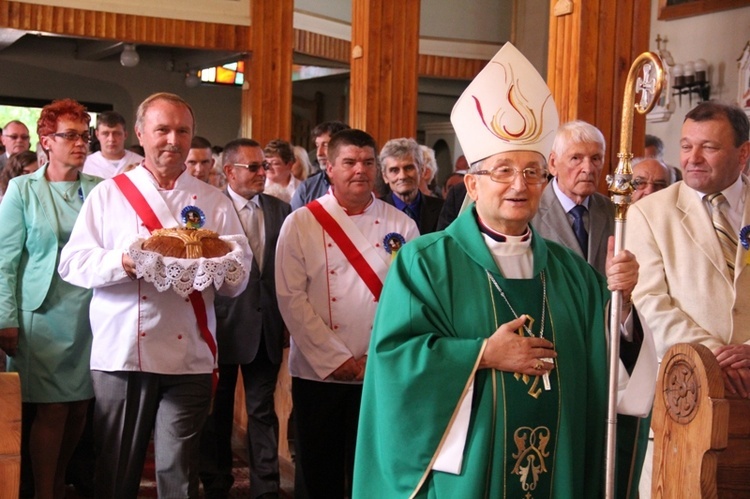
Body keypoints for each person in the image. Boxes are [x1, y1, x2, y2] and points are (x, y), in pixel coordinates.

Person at [353, 42, 655, 499]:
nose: (520, 185)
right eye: (503, 171)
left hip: (559, 471)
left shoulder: (572, 273)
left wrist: (623, 303)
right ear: (471, 184)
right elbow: (395, 362)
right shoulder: (426, 262)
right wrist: (482, 355)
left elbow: (611, 364)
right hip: (470, 472)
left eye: (534, 172)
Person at [58, 92, 251, 498]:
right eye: (162, 129)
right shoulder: (109, 194)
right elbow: (73, 263)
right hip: (124, 352)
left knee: (179, 471)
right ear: (141, 134)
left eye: (182, 131)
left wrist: (222, 268)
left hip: (192, 353)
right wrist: (125, 264)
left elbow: (237, 280)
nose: (172, 140)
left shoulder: (213, 201)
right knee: (116, 472)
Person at [275, 128, 419, 498]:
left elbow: (414, 298)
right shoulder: (301, 223)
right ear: (330, 169)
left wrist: (379, 355)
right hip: (319, 371)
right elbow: (290, 297)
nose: (360, 170)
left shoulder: (403, 225)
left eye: (368, 162)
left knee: (372, 472)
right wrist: (334, 357)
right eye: (350, 162)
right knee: (317, 471)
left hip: (379, 368)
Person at [627, 101, 750, 498]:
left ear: (743, 153)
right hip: (687, 394)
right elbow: (650, 302)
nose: (692, 158)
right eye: (685, 146)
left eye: (709, 148)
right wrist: (712, 358)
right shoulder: (650, 213)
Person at [0, 99, 101, 499]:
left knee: (79, 407)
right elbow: (4, 260)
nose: (80, 143)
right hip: (42, 315)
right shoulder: (23, 190)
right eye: (70, 135)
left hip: (90, 313)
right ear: (46, 141)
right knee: (52, 408)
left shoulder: (99, 190)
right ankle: (43, 491)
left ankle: (58, 484)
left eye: (84, 135)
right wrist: (5, 317)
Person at [200, 138, 290, 499]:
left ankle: (265, 489)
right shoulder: (209, 209)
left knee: (262, 410)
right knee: (216, 413)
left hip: (266, 323)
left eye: (264, 167)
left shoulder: (281, 210)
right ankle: (216, 482)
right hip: (221, 323)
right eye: (253, 167)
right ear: (229, 172)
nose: (261, 174)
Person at [531, 120, 613, 274]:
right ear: (553, 164)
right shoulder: (530, 211)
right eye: (576, 158)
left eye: (595, 158)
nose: (588, 169)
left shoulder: (612, 211)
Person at [380, 137, 444, 234]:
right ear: (385, 176)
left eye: (409, 168)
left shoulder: (442, 209)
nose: (402, 176)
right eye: (394, 170)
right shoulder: (375, 210)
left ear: (421, 170)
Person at [290, 121, 350, 210]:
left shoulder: (360, 184)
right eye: (317, 146)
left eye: (326, 145)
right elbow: (292, 222)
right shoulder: (307, 188)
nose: (319, 153)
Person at [82, 111, 144, 179]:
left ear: (125, 135)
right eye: (105, 133)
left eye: (116, 133)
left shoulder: (141, 163)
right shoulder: (85, 164)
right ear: (97, 134)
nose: (111, 139)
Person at [263, 138, 301, 204]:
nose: (268, 167)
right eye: (266, 163)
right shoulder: (259, 186)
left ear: (289, 165)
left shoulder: (301, 188)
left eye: (275, 163)